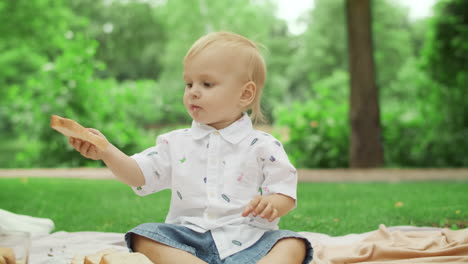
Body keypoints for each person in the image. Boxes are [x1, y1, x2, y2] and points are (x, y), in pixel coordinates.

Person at [69, 31, 313, 264]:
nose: (193, 92)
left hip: (249, 239)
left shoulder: (262, 145)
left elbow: (285, 191)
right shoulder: (174, 143)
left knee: (293, 244)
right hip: (188, 240)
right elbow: (138, 174)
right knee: (143, 236)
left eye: (206, 84)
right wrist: (106, 151)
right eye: (189, 84)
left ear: (245, 94)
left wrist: (272, 203)